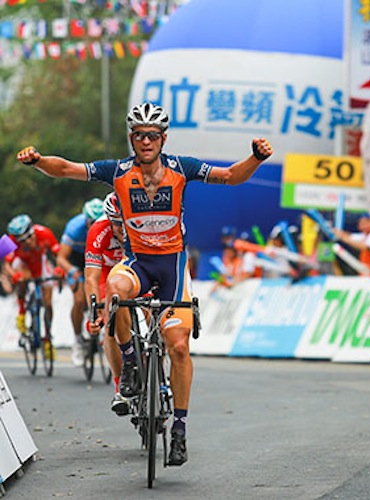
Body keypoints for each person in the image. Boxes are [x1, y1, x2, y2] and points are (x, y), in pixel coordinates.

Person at [17, 101, 273, 466]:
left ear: (163, 138)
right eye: (139, 135)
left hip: (172, 266)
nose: (146, 141)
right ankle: (132, 362)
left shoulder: (181, 168)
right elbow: (67, 169)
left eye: (153, 135)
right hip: (138, 263)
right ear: (132, 138)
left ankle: (180, 429)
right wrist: (38, 160)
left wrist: (256, 158)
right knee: (115, 292)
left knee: (180, 347)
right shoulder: (117, 170)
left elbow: (231, 176)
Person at [84, 192, 126, 414]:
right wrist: (95, 312)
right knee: (110, 324)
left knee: (154, 314)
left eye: (126, 221)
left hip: (134, 268)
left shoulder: (141, 226)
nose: (122, 229)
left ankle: (159, 378)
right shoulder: (98, 231)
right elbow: (91, 277)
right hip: (107, 272)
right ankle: (120, 388)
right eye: (117, 224)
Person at [4, 214, 62, 360]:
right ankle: (22, 312)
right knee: (22, 278)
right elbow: (6, 265)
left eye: (29, 237)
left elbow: (58, 255)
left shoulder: (45, 232)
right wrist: (14, 275)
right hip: (23, 263)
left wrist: (59, 269)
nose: (28, 242)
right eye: (22, 241)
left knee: (48, 303)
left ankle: (48, 337)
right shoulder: (8, 241)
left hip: (40, 262)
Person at [57, 197, 105, 367]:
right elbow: (61, 258)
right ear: (86, 220)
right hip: (77, 260)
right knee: (79, 300)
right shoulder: (74, 228)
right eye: (91, 222)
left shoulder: (107, 226)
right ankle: (78, 340)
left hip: (97, 257)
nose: (95, 226)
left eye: (98, 222)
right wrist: (72, 271)